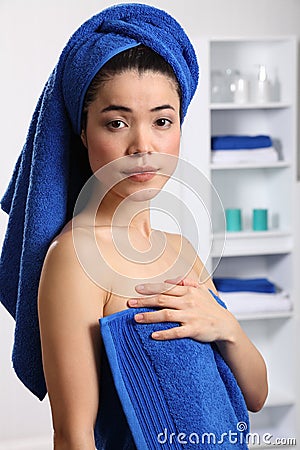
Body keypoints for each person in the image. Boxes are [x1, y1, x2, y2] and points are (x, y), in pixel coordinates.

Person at [0, 4, 268, 450]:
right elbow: (72, 435)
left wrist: (226, 327)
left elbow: (255, 395)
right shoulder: (75, 260)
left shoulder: (180, 250)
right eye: (117, 122)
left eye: (162, 121)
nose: (143, 145)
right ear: (84, 132)